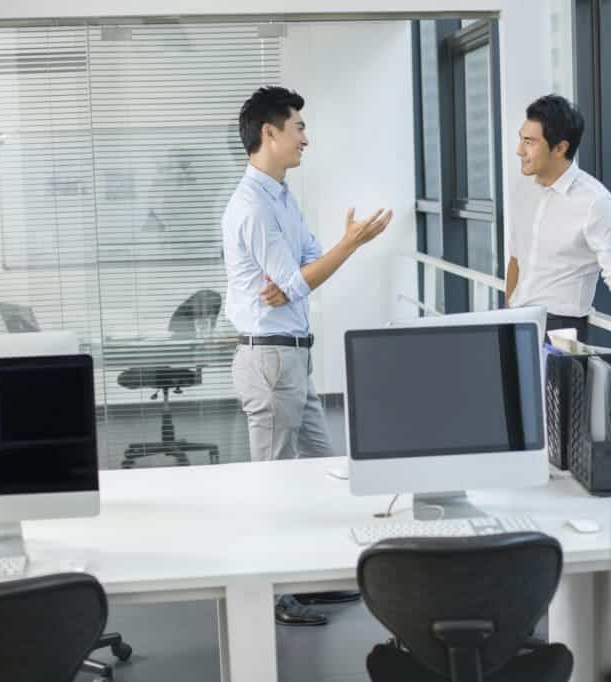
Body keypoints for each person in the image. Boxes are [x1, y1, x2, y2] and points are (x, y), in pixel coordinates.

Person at [221, 86, 392, 626]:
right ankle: (273, 593)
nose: (305, 138)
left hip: (293, 357)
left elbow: (306, 267)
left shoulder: (280, 196)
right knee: (273, 484)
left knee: (324, 468)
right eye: (297, 127)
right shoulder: (252, 205)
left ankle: (310, 579)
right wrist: (349, 247)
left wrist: (315, 265)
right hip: (269, 360)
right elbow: (297, 279)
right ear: (269, 132)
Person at [507, 95, 611, 341]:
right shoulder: (523, 189)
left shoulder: (595, 202)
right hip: (516, 321)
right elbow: (516, 260)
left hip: (560, 329)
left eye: (529, 142)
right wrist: (507, 309)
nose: (519, 150)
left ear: (560, 148)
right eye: (521, 139)